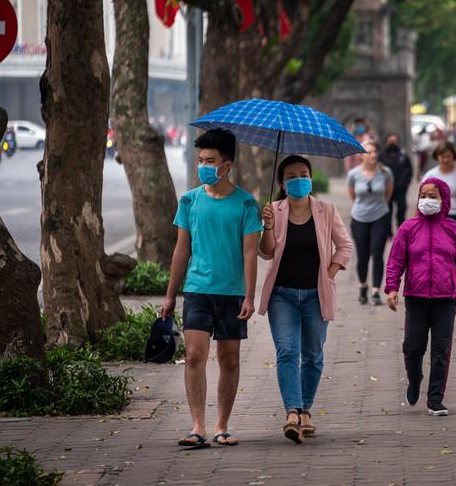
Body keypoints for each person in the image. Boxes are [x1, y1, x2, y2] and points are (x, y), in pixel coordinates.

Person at [160, 128, 263, 449]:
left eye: (210, 160)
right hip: (197, 290)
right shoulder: (189, 201)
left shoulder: (246, 204)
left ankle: (221, 425)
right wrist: (169, 294)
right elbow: (181, 251)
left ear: (227, 164)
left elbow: (250, 253)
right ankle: (197, 426)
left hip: (232, 294)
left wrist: (249, 294)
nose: (203, 166)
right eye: (200, 160)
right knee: (193, 356)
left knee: (229, 360)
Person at [258, 155, 352, 444]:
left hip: (316, 294)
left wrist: (332, 271)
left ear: (311, 178)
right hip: (281, 295)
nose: (299, 180)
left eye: (303, 174)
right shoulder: (273, 210)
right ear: (282, 183)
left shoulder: (326, 210)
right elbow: (266, 252)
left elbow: (344, 245)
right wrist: (269, 226)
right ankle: (292, 412)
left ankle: (306, 409)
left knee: (313, 356)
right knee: (287, 352)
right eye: (292, 176)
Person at [385, 178, 456, 416]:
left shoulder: (453, 229)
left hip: (445, 299)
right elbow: (396, 261)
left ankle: (435, 398)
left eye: (433, 196)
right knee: (413, 348)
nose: (427, 200)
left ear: (444, 200)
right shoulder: (408, 228)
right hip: (415, 298)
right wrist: (392, 288)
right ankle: (414, 379)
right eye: (423, 195)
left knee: (441, 351)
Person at [347, 140, 394, 305]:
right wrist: (363, 208)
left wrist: (378, 207)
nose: (372, 155)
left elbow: (388, 195)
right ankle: (362, 286)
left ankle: (375, 291)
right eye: (368, 152)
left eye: (374, 151)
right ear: (361, 155)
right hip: (359, 217)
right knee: (362, 255)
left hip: (380, 216)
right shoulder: (353, 174)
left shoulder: (385, 172)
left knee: (377, 253)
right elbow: (353, 197)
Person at [422, 141, 456, 229]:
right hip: (435, 216)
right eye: (442, 157)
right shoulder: (430, 175)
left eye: (449, 156)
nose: (446, 160)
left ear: (454, 156)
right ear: (437, 157)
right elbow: (421, 198)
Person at [379, 133, 413, 234]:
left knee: (402, 207)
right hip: (386, 188)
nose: (392, 143)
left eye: (394, 141)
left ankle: (401, 228)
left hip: (400, 188)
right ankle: (388, 231)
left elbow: (409, 169)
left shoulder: (403, 155)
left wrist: (406, 182)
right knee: (387, 210)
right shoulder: (381, 156)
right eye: (390, 141)